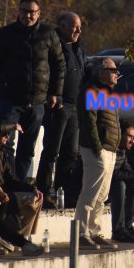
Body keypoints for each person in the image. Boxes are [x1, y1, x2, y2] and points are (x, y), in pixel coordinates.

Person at [0, 0, 66, 181]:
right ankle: (4, 181)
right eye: (24, 11)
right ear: (18, 11)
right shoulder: (6, 33)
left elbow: (59, 64)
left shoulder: (49, 34)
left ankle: (19, 184)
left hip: (37, 100)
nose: (28, 15)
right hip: (10, 98)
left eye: (32, 12)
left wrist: (56, 92)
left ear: (39, 14)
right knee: (4, 143)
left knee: (28, 148)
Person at [38, 11, 84, 207]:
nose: (78, 31)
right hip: (59, 105)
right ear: (63, 25)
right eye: (75, 27)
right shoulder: (54, 43)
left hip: (75, 106)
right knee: (52, 150)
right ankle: (44, 190)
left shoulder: (78, 46)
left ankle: (62, 190)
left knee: (71, 152)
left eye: (80, 27)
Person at [75, 56, 120, 250]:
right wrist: (97, 147)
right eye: (113, 70)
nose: (117, 74)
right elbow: (89, 122)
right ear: (101, 72)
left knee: (102, 195)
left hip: (110, 149)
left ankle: (94, 230)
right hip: (97, 149)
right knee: (91, 193)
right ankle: (81, 233)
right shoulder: (90, 92)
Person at [0, 119, 44, 239]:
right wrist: (14, 126)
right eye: (4, 134)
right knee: (7, 200)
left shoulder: (3, 153)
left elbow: (10, 180)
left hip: (3, 189)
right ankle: (7, 237)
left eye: (8, 134)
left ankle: (20, 235)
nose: (7, 136)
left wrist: (31, 188)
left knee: (36, 197)